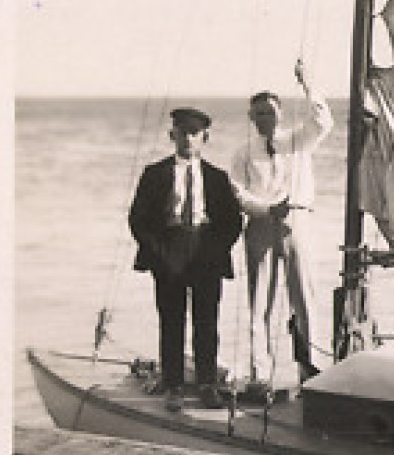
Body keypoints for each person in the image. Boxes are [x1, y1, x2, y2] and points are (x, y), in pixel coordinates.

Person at [128, 106, 244, 412]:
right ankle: (174, 387)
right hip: (170, 250)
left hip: (206, 251)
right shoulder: (155, 174)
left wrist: (216, 250)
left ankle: (208, 385)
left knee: (207, 323)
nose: (188, 140)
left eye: (194, 134)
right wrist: (159, 252)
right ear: (172, 136)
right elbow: (138, 220)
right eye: (182, 133)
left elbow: (233, 221)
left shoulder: (217, 178)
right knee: (171, 321)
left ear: (205, 138)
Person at [231, 61, 335, 398]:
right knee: (259, 302)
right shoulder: (243, 153)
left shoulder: (298, 141)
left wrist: (309, 84)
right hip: (261, 226)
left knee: (304, 298)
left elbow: (323, 122)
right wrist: (265, 209)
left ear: (280, 113)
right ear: (251, 118)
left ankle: (311, 371)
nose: (265, 119)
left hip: (297, 222)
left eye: (270, 113)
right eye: (258, 114)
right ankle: (260, 374)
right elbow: (237, 192)